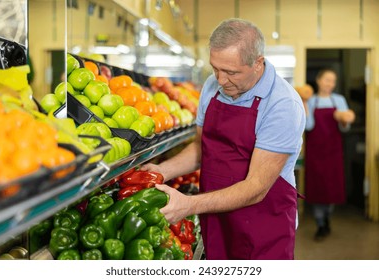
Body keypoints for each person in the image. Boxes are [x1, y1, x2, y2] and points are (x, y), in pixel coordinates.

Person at [142, 18, 306, 260]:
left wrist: (189, 205)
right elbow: (201, 146)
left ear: (258, 63)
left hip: (263, 224)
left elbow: (256, 189)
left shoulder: (282, 105)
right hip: (216, 216)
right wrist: (161, 170)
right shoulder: (212, 87)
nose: (220, 80)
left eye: (231, 72)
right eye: (215, 68)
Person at [304, 68, 355, 241]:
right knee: (318, 186)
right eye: (327, 80)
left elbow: (344, 127)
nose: (330, 84)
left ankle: (327, 217)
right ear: (318, 80)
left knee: (332, 187)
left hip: (333, 152)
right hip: (315, 152)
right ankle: (320, 223)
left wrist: (344, 119)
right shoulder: (311, 100)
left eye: (333, 81)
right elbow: (308, 126)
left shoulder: (339, 100)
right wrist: (304, 103)